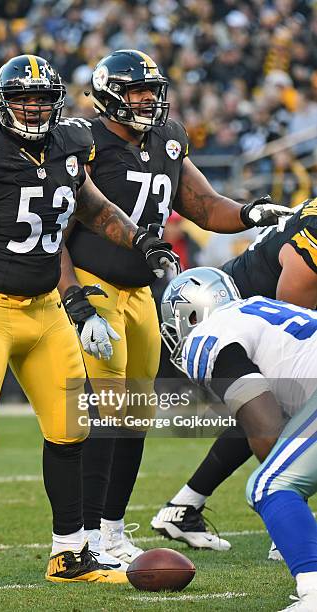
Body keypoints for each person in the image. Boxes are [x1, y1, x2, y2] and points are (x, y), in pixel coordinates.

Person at [0, 54, 182, 593]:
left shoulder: (73, 144)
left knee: (71, 428)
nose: (33, 108)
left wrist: (140, 238)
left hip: (45, 311)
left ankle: (69, 554)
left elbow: (94, 209)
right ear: (3, 104)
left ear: (58, 103)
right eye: (23, 99)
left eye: (42, 99)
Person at [58, 49, 293, 563]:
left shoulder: (168, 137)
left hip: (143, 292)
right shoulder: (82, 142)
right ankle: (86, 536)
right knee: (104, 414)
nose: (148, 98)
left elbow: (205, 206)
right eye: (136, 89)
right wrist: (74, 300)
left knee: (134, 416)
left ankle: (113, 530)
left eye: (151, 88)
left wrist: (252, 211)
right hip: (95, 287)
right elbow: (56, 236)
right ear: (107, 95)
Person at [152, 197, 317, 553]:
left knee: (269, 412)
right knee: (276, 411)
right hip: (235, 315)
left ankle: (184, 506)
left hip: (255, 310)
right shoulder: (311, 246)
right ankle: (286, 518)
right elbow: (297, 312)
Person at [160, 267, 317, 612]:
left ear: (190, 313)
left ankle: (313, 592)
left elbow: (263, 423)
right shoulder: (256, 309)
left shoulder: (208, 336)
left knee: (270, 486)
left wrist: (289, 515)